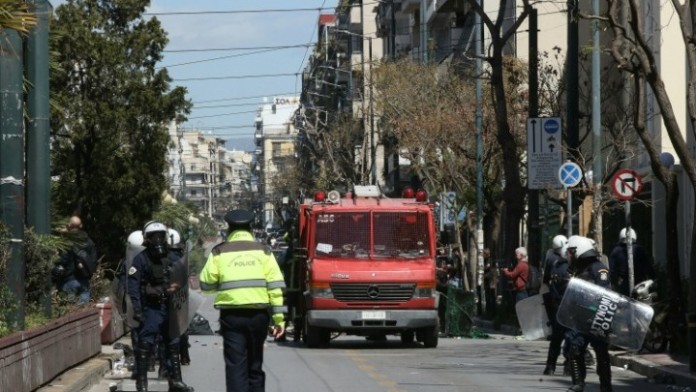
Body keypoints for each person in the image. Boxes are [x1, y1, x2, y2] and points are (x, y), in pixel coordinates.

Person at [199, 209, 286, 392]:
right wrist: (279, 319)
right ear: (251, 228)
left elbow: (206, 284)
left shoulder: (219, 252)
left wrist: (223, 285)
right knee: (255, 365)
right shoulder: (264, 251)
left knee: (235, 366)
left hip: (232, 316)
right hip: (258, 316)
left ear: (229, 229)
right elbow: (275, 287)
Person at [127, 221, 194, 392]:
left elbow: (183, 276)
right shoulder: (140, 259)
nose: (157, 240)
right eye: (153, 237)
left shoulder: (172, 257)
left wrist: (176, 286)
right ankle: (142, 384)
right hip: (152, 308)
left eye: (160, 236)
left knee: (173, 343)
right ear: (147, 239)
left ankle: (176, 381)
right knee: (146, 343)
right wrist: (137, 309)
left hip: (170, 307)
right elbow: (133, 286)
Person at [563, 235, 613, 392]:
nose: (569, 256)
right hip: (580, 318)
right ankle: (578, 383)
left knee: (601, 353)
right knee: (574, 349)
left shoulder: (599, 268)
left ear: (580, 250)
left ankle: (606, 386)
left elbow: (604, 293)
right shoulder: (578, 270)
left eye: (571, 252)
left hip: (597, 317)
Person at [53, 215, 97, 305]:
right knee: (83, 311)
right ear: (81, 226)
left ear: (69, 225)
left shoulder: (67, 241)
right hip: (84, 282)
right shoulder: (89, 241)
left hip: (69, 280)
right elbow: (93, 260)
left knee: (69, 311)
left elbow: (63, 261)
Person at [542, 234, 569, 375]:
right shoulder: (562, 263)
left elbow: (546, 280)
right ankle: (569, 365)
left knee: (557, 337)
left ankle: (551, 366)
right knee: (569, 336)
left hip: (556, 303)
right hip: (564, 305)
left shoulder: (551, 260)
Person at [608, 228, 656, 297]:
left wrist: (613, 284)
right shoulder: (640, 250)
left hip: (622, 286)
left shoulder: (615, 251)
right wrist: (653, 278)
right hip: (639, 285)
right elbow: (648, 267)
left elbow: (611, 271)